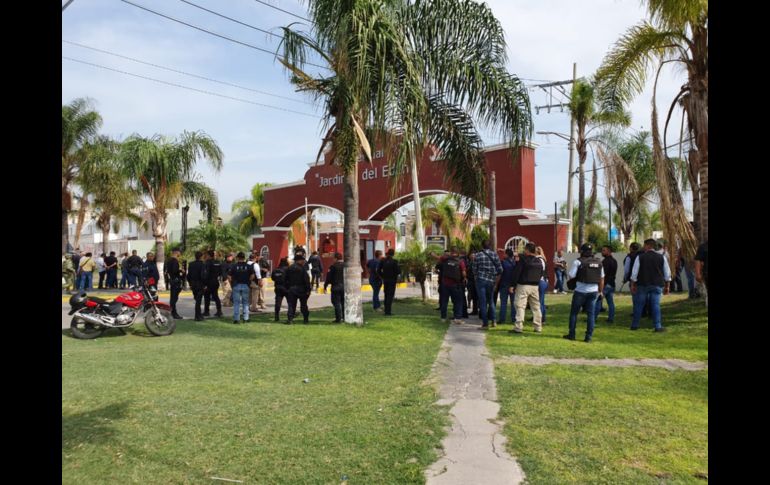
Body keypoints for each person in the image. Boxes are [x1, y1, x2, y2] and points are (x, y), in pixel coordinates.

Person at [564, 243, 604, 343]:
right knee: (591, 314)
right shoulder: (599, 262)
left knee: (574, 313)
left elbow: (571, 275)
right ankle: (588, 337)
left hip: (580, 291)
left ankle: (572, 334)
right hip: (594, 291)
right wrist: (600, 291)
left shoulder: (578, 261)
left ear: (582, 251)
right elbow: (602, 278)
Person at [630, 239, 672, 332]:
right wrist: (667, 286)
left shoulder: (640, 257)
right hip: (657, 284)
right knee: (655, 305)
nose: (643, 247)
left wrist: (633, 284)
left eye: (644, 245)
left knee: (639, 305)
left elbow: (634, 273)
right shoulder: (661, 257)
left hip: (642, 284)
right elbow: (667, 273)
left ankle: (634, 325)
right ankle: (657, 326)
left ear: (648, 246)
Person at [508, 243, 545, 334]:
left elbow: (517, 272)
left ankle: (518, 326)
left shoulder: (523, 260)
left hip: (523, 285)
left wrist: (512, 285)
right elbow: (541, 274)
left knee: (520, 305)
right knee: (536, 307)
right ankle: (538, 327)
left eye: (525, 249)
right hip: (535, 286)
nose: (524, 251)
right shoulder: (539, 261)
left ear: (528, 250)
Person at [471, 240, 503, 329]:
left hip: (481, 280)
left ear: (482, 246)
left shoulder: (478, 255)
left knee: (482, 302)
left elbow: (474, 269)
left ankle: (485, 323)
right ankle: (494, 320)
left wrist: (477, 276)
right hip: (491, 280)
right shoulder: (495, 255)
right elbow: (500, 269)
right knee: (491, 301)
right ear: (490, 246)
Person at [437, 247, 467, 324]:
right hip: (456, 284)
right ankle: (457, 318)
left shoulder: (446, 259)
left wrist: (431, 254)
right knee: (458, 302)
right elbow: (463, 272)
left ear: (451, 252)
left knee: (444, 302)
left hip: (445, 284)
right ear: (458, 253)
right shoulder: (460, 261)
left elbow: (438, 258)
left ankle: (443, 318)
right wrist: (464, 278)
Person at [285, 251, 312, 324]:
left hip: (292, 289)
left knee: (291, 305)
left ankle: (290, 319)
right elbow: (306, 280)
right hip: (301, 289)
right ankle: (305, 319)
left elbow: (285, 279)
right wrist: (308, 289)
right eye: (302, 260)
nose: (303, 262)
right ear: (299, 260)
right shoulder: (302, 269)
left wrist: (287, 288)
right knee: (303, 305)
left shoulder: (289, 268)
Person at [595, 245, 618, 323]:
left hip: (606, 284)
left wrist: (601, 285)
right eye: (602, 250)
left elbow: (603, 275)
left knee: (598, 300)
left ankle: (593, 318)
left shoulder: (605, 262)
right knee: (610, 302)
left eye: (604, 250)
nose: (602, 252)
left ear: (609, 251)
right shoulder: (614, 261)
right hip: (612, 284)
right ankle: (611, 318)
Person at [228, 252, 253, 324]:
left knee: (236, 303)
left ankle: (236, 319)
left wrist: (232, 284)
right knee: (245, 302)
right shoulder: (248, 266)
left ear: (238, 258)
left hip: (236, 285)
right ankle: (246, 318)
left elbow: (229, 276)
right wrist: (249, 282)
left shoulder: (234, 266)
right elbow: (252, 275)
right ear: (244, 258)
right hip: (245, 285)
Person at [377, 248, 401, 316]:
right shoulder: (394, 261)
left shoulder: (383, 261)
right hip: (392, 280)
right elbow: (398, 271)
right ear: (393, 254)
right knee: (390, 296)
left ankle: (386, 311)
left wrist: (383, 276)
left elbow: (378, 270)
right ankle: (388, 312)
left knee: (386, 295)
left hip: (386, 280)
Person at [324, 252, 345, 323]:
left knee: (336, 303)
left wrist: (325, 286)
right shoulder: (345, 266)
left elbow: (328, 278)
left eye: (333, 258)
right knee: (343, 302)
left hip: (336, 287)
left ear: (336, 258)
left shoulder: (332, 267)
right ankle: (344, 317)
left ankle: (338, 318)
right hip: (344, 287)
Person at [497, 248, 516, 324]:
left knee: (503, 303)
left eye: (504, 253)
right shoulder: (515, 263)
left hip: (504, 284)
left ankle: (502, 319)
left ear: (507, 255)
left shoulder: (503, 263)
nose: (503, 255)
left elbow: (500, 274)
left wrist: (496, 284)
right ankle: (514, 318)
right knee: (513, 303)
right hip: (513, 285)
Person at [186, 251, 206, 321]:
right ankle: (198, 315)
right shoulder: (202, 264)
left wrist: (190, 283)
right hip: (200, 284)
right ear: (201, 257)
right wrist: (204, 284)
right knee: (198, 301)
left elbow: (188, 276)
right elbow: (203, 276)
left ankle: (198, 315)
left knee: (197, 299)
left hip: (193, 284)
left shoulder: (191, 264)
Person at [165, 249, 185, 319]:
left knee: (173, 298)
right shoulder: (174, 261)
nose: (180, 254)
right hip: (175, 281)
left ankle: (172, 312)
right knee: (174, 298)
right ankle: (174, 313)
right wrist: (180, 271)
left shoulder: (168, 260)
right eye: (179, 252)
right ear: (176, 252)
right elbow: (174, 270)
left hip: (172, 280)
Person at [203, 250, 223, 318]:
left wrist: (204, 283)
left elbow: (206, 274)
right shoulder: (218, 262)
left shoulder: (207, 263)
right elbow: (220, 272)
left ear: (209, 255)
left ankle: (206, 311)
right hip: (215, 281)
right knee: (216, 296)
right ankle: (219, 311)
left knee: (207, 297)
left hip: (209, 282)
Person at [271, 257, 289, 322]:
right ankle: (290, 315)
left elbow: (273, 278)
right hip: (286, 287)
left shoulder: (276, 270)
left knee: (278, 303)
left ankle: (276, 316)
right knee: (290, 302)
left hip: (278, 287)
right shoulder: (288, 269)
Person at [534, 246, 549, 324]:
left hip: (540, 281)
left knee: (539, 302)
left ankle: (540, 319)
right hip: (544, 281)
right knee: (541, 301)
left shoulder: (538, 260)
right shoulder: (543, 259)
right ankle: (543, 318)